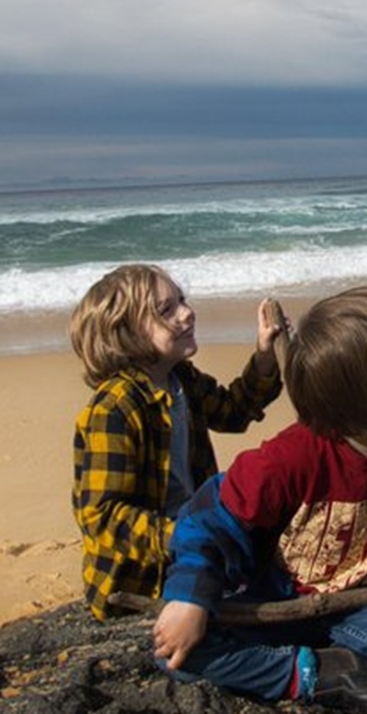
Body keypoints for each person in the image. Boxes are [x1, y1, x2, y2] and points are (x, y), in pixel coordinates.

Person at [151, 286, 367, 714]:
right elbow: (206, 521)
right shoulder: (290, 458)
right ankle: (320, 671)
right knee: (176, 655)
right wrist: (189, 598)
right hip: (278, 602)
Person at [70, 263, 284, 621]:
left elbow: (233, 411)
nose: (187, 313)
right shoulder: (115, 409)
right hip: (138, 581)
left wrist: (264, 356)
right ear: (125, 334)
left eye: (181, 300)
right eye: (165, 310)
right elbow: (101, 517)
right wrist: (182, 535)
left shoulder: (181, 380)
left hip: (190, 543)